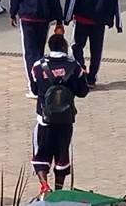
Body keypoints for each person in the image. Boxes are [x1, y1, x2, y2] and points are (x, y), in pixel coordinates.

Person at [30, 34, 89, 194]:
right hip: (66, 120)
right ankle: (58, 191)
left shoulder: (38, 66)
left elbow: (34, 90)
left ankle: (44, 186)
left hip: (44, 120)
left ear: (50, 47)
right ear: (64, 47)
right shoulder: (75, 66)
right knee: (62, 157)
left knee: (41, 155)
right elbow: (83, 91)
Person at [10, 0, 64, 98]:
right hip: (43, 18)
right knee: (39, 52)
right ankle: (42, 81)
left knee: (29, 52)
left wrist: (13, 13)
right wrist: (59, 19)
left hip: (27, 17)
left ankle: (34, 86)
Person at [63, 0, 121, 87]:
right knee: (96, 50)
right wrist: (116, 22)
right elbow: (114, 0)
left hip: (82, 20)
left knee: (76, 46)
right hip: (99, 23)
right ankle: (92, 78)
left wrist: (67, 17)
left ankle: (81, 70)